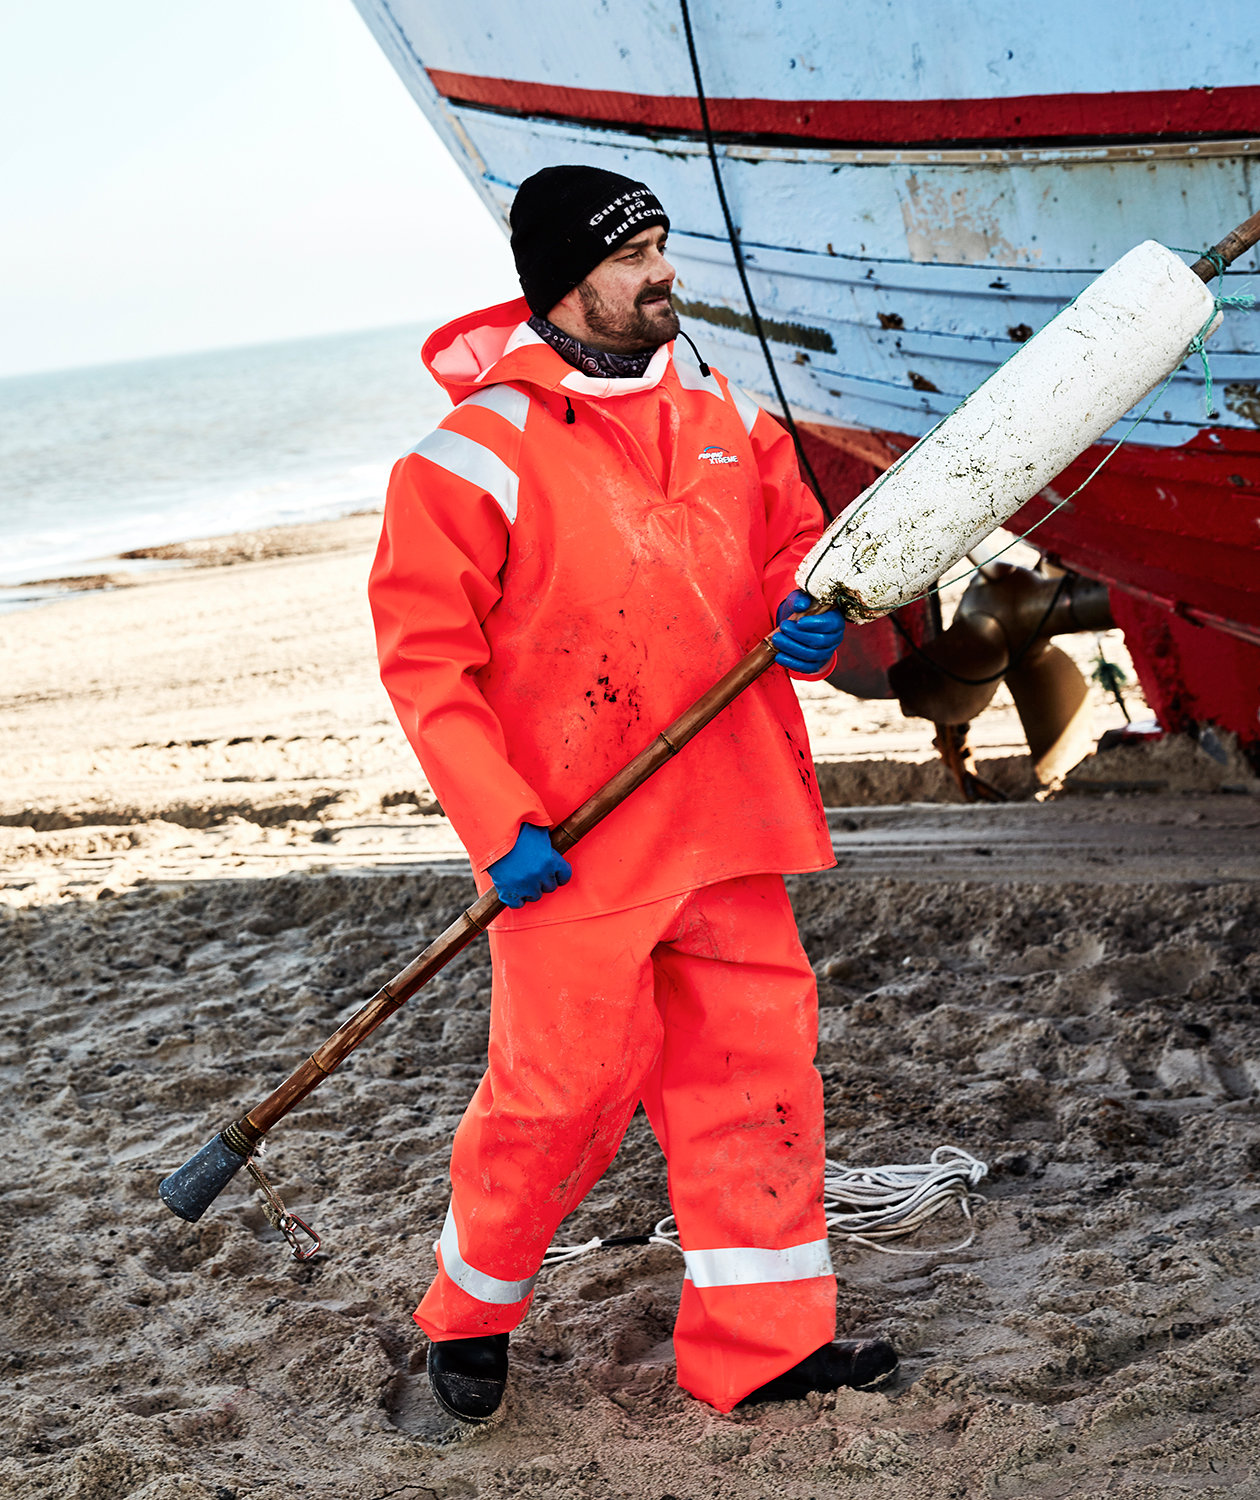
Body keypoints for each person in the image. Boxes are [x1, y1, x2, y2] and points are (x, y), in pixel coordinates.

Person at [368, 165, 896, 1420]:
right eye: (633, 253)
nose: (663, 270)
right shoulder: (465, 457)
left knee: (756, 1088)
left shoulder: (721, 408)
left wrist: (806, 606)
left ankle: (765, 1352)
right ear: (565, 280)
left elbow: (785, 551)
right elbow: (425, 663)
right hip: (576, 846)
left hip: (732, 822)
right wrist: (501, 830)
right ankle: (470, 1317)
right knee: (557, 1099)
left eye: (661, 243)